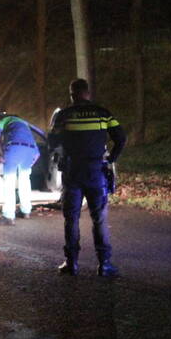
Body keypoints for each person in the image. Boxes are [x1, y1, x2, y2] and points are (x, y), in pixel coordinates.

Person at [48, 78, 126, 277]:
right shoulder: (103, 113)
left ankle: (71, 263)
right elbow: (121, 138)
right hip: (96, 172)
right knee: (99, 218)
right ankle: (104, 265)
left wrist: (63, 150)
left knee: (71, 219)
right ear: (88, 93)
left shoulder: (64, 116)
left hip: (73, 172)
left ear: (72, 95)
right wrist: (111, 159)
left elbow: (52, 142)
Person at [0, 114, 40, 226]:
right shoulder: (25, 124)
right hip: (31, 150)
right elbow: (37, 154)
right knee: (25, 180)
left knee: (9, 182)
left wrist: (1, 154)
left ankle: (8, 216)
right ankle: (26, 211)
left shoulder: (4, 120)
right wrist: (30, 163)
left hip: (14, 148)